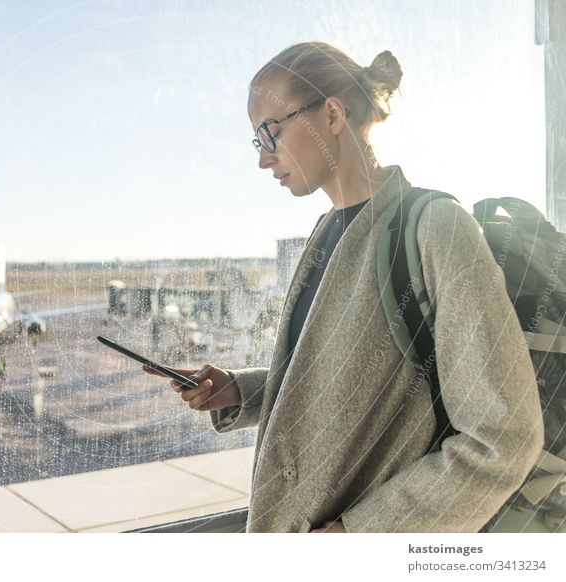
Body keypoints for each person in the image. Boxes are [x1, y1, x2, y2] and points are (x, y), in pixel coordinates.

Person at [144, 41, 544, 533]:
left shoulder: (436, 229)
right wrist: (240, 390)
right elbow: (350, 377)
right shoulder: (326, 232)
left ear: (331, 114)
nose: (264, 160)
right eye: (257, 141)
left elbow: (502, 437)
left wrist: (360, 534)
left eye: (271, 133)